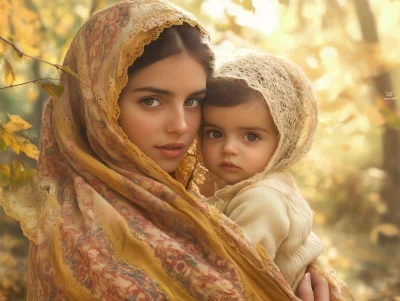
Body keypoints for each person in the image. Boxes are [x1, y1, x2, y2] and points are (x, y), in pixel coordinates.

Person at [0, 0, 332, 300]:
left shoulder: (189, 198)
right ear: (97, 104)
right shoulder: (80, 233)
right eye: (151, 101)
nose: (181, 125)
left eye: (193, 102)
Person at [198, 50, 323, 292]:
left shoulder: (261, 200)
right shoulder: (243, 187)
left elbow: (233, 280)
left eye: (251, 136)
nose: (229, 148)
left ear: (281, 142)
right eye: (215, 133)